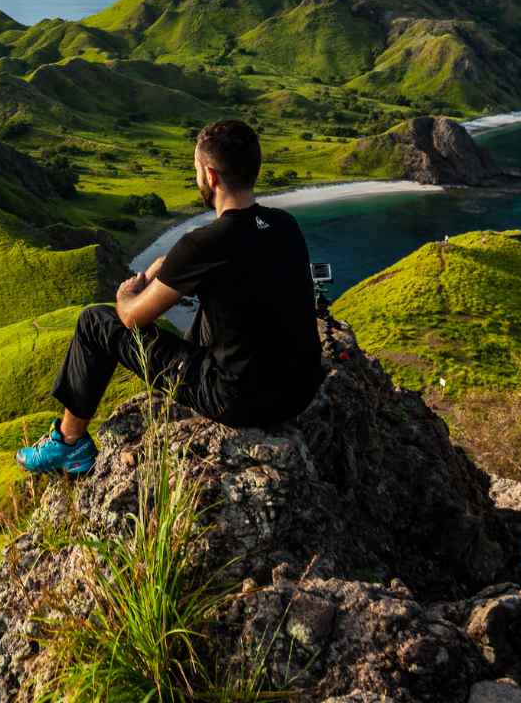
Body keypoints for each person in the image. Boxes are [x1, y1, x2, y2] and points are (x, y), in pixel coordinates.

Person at [16, 119, 324, 475]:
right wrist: (179, 269)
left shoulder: (202, 243)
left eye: (196, 170)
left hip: (240, 402)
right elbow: (243, 276)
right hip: (299, 392)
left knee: (93, 322)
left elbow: (132, 317)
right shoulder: (285, 224)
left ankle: (69, 444)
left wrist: (133, 287)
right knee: (221, 306)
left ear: (210, 176)